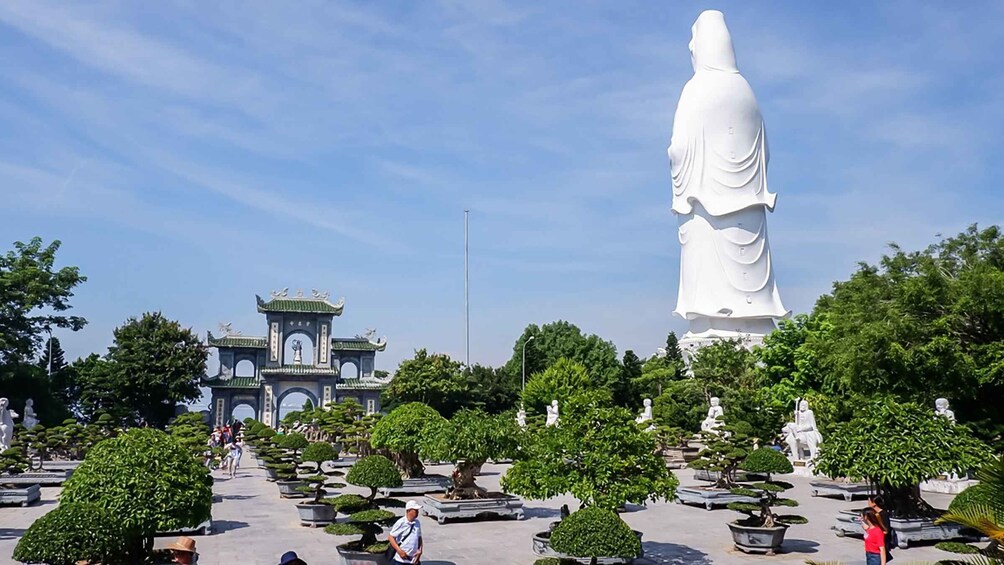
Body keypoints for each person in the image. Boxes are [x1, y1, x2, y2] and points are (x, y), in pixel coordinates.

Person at [388, 500, 424, 564]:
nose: (418, 512)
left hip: (413, 559)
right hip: (401, 560)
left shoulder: (417, 523)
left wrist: (420, 550)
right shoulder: (401, 522)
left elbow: (419, 537)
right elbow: (391, 537)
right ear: (409, 511)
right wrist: (399, 551)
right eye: (415, 510)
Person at [868, 495, 894, 560]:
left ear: (874, 503)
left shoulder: (883, 514)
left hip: (882, 541)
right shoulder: (873, 513)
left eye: (869, 501)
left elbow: (886, 529)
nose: (868, 503)